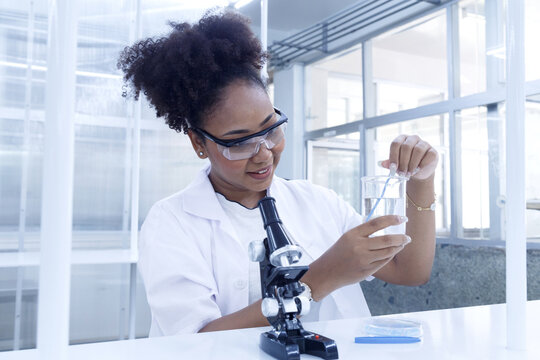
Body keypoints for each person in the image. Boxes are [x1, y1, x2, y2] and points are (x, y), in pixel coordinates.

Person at [118, 9, 438, 336]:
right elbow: (195, 341)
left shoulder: (317, 202)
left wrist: (421, 183)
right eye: (239, 142)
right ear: (199, 142)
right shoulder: (172, 223)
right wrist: (320, 278)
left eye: (271, 130)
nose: (264, 154)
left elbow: (410, 270)